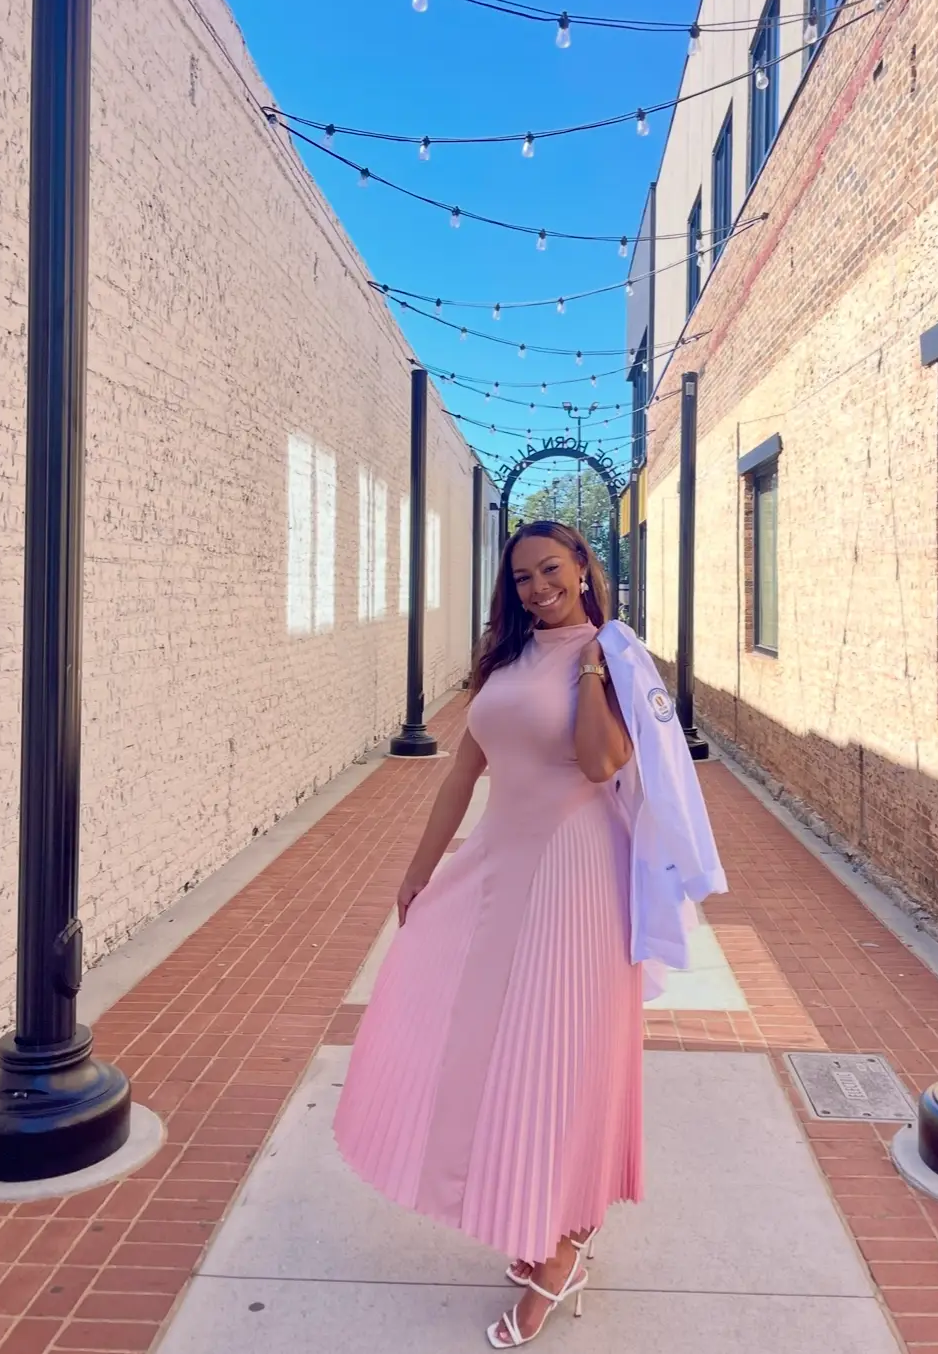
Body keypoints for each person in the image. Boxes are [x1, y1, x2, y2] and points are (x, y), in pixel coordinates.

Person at [334, 520, 722, 1347]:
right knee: (475, 1036)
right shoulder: (505, 659)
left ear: (583, 566)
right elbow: (463, 773)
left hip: (579, 878)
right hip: (497, 868)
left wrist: (586, 665)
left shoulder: (614, 654)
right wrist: (420, 868)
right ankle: (541, 1218)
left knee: (564, 1056)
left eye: (550, 569)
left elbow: (597, 764)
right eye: (521, 578)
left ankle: (564, 1248)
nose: (536, 587)